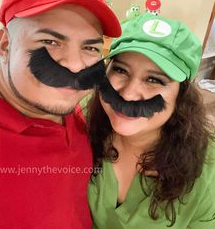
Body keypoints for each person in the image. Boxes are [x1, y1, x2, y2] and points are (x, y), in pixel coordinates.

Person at [0, 0, 121, 228]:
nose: (75, 65)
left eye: (90, 48)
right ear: (5, 44)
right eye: (51, 42)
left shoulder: (69, 102)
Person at [87, 12, 215, 229]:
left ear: (181, 96)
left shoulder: (207, 170)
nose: (129, 94)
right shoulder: (80, 123)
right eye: (120, 70)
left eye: (154, 79)